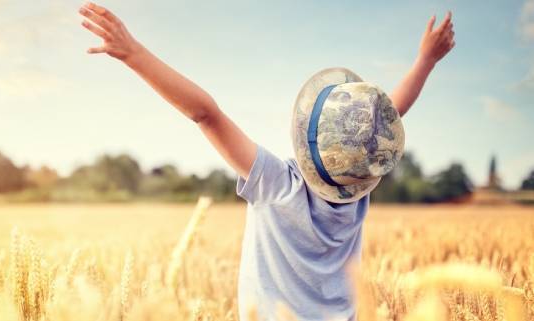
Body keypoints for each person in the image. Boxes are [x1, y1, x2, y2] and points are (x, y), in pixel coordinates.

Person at [78, 2, 455, 321]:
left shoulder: (278, 184)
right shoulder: (354, 193)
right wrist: (426, 60)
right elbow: (386, 118)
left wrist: (134, 53)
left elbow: (205, 114)